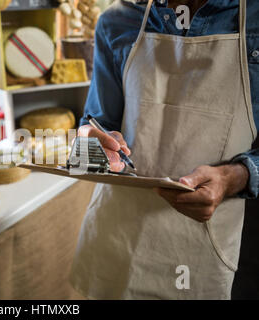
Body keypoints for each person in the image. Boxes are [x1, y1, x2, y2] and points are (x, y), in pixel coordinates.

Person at [71, 0, 259, 299]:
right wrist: (88, 142)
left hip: (203, 245)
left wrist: (234, 176)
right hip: (115, 236)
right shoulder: (116, 21)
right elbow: (95, 124)